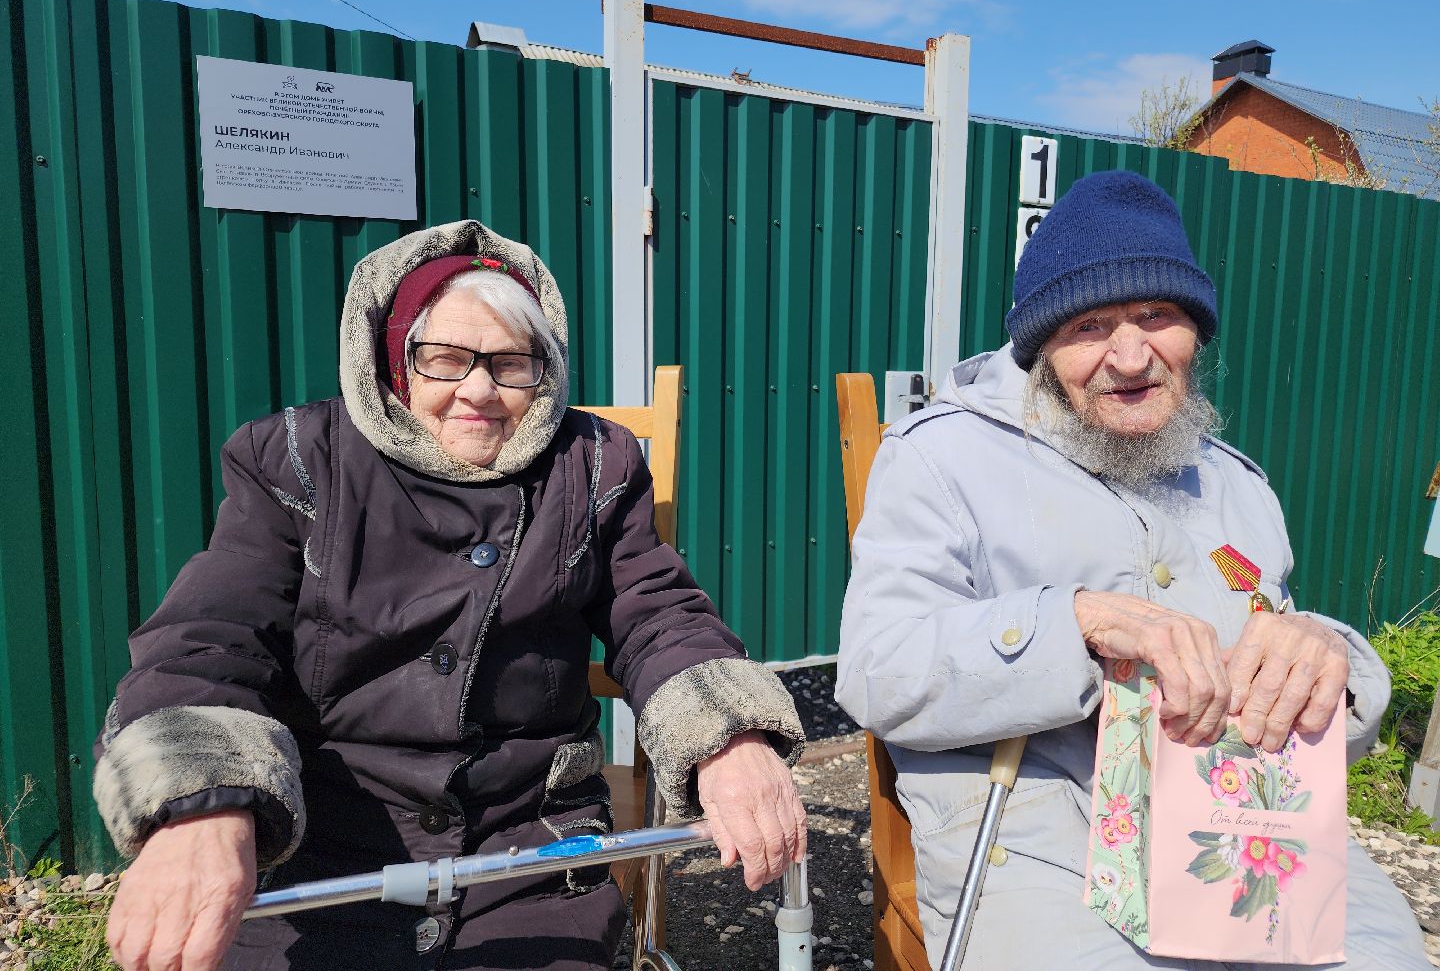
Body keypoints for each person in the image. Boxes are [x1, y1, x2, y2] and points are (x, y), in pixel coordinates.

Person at [95, 220, 808, 971]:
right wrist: (203, 804)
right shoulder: (300, 459)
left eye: (510, 363)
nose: (479, 390)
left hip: (526, 843)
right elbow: (213, 634)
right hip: (329, 846)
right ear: (394, 360)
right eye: (444, 358)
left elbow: (655, 611)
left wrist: (729, 736)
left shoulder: (594, 464)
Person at [835, 171, 1429, 969]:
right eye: (1089, 325)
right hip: (1042, 842)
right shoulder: (942, 459)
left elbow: (1293, 682)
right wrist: (1077, 622)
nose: (1129, 356)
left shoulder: (1235, 483)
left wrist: (1321, 654)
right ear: (1042, 346)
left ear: (1196, 330)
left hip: (1246, 828)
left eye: (1156, 315)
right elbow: (877, 673)